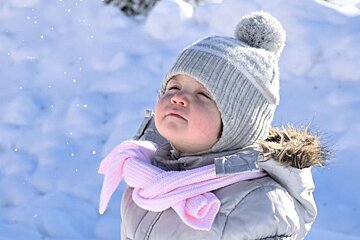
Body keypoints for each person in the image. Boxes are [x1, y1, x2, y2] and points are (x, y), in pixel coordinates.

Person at [98, 11, 326, 239]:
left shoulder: (260, 203)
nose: (179, 98)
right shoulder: (146, 177)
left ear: (239, 123)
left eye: (203, 95)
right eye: (174, 88)